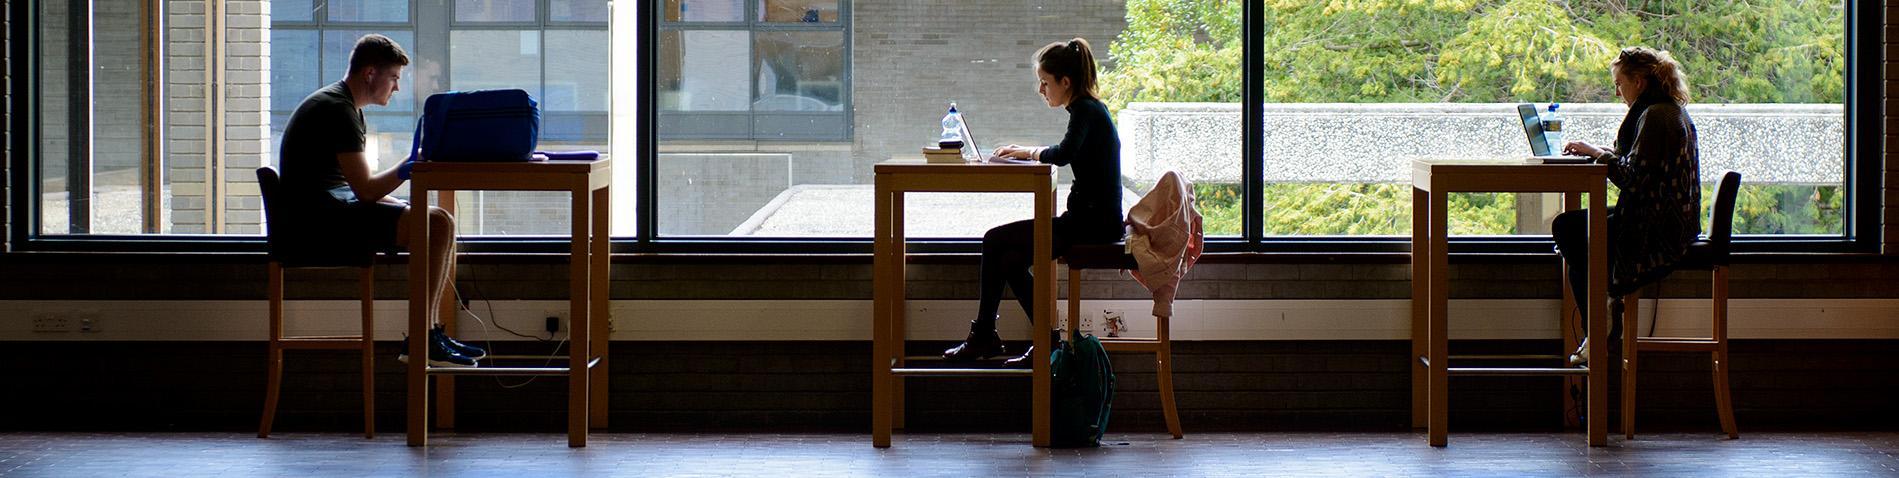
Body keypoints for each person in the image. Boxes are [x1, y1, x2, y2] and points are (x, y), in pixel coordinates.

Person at [277, 34, 485, 367]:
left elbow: (356, 190)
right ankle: (421, 338)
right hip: (320, 222)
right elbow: (366, 191)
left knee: (440, 220)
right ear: (370, 73)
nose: (398, 88)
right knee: (434, 223)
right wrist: (409, 165)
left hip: (326, 209)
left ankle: (426, 333)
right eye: (394, 78)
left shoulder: (342, 105)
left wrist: (403, 196)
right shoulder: (339, 110)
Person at [941, 38, 1124, 368]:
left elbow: (1064, 153)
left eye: (1045, 82)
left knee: (993, 240)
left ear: (1065, 82)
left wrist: (1027, 152)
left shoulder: (1085, 109)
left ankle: (987, 335)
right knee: (1009, 258)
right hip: (1093, 221)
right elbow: (1068, 148)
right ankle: (1042, 342)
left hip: (1091, 225)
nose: (1041, 90)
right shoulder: (1090, 109)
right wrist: (1029, 150)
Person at [1554, 46, 1702, 365]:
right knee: (1577, 229)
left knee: (1567, 228)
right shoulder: (1664, 109)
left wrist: (1598, 154)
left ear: (1640, 82)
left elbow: (1632, 179)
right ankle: (1605, 306)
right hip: (1671, 219)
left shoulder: (1657, 115)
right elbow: (1642, 165)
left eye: (1620, 83)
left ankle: (1604, 316)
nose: (1617, 91)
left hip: (1659, 229)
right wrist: (1599, 153)